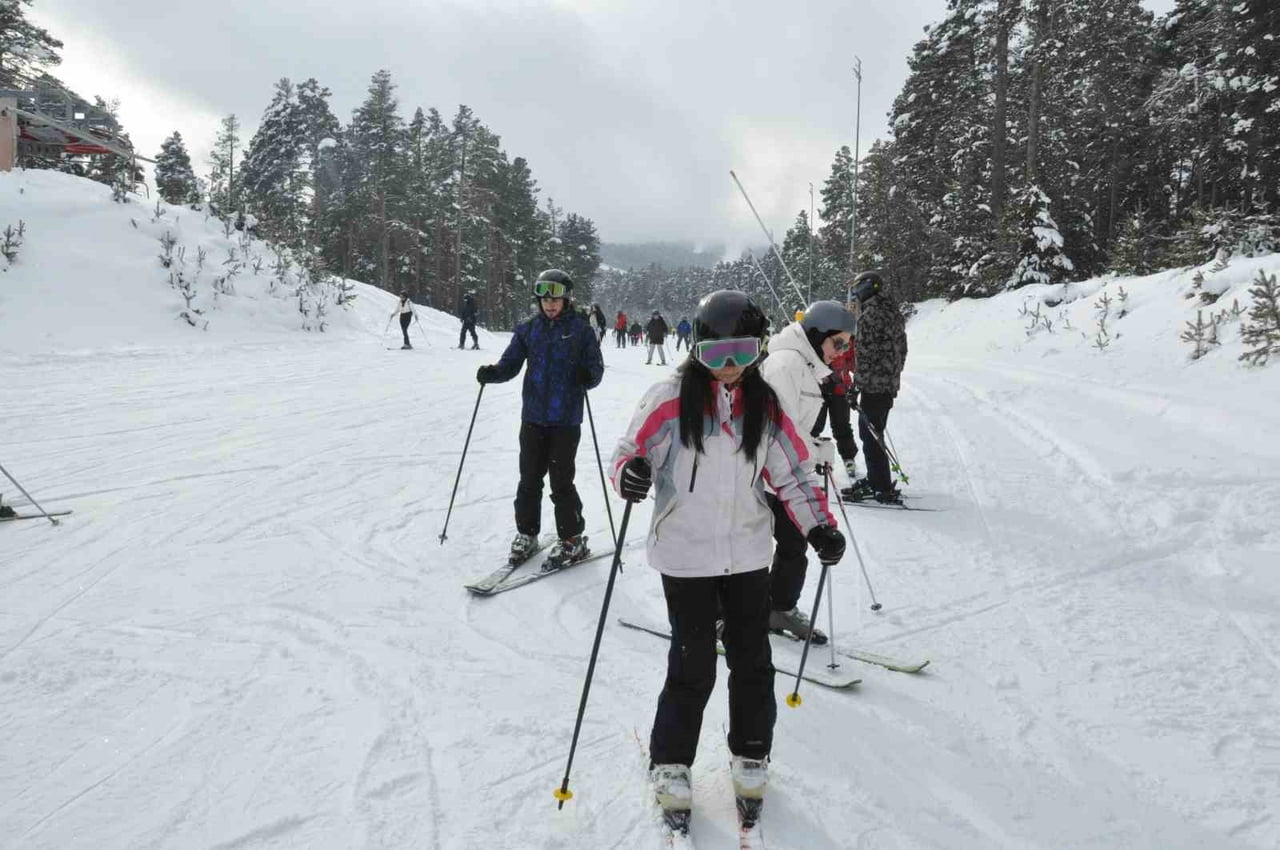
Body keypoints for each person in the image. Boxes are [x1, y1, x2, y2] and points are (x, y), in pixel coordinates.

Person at [612, 290, 844, 836]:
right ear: (697, 352)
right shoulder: (669, 399)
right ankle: (671, 761)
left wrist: (818, 527)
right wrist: (632, 474)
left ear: (759, 350)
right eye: (717, 355)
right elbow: (629, 451)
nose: (731, 367)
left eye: (742, 352)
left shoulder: (765, 408)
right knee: (692, 665)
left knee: (753, 662)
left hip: (745, 556)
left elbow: (792, 473)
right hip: (686, 558)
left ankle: (751, 752)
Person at [476, 269, 605, 567]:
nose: (549, 304)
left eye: (555, 298)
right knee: (529, 479)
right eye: (544, 298)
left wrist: (589, 376)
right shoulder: (528, 329)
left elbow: (595, 367)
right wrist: (493, 373)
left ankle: (571, 538)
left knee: (561, 482)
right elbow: (510, 364)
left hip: (565, 420)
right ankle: (527, 533)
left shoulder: (581, 330)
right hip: (533, 417)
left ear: (566, 299)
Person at [758, 300, 858, 643]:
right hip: (764, 474)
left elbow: (796, 426)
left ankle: (779, 608)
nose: (842, 352)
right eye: (839, 343)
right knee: (749, 548)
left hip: (790, 472)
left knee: (793, 544)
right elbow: (777, 425)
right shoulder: (784, 364)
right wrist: (813, 448)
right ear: (817, 335)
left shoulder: (809, 366)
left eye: (848, 345)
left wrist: (816, 444)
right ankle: (721, 614)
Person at [844, 270, 909, 504]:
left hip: (874, 386)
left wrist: (855, 387)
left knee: (870, 435)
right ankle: (876, 479)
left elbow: (866, 356)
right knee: (874, 432)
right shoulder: (892, 312)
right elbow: (902, 350)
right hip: (887, 386)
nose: (855, 295)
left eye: (857, 289)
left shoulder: (871, 315)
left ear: (866, 288)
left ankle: (880, 486)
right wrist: (893, 377)